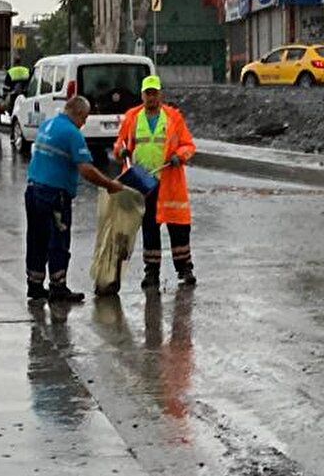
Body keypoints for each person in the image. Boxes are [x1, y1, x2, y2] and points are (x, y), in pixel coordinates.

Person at [25, 94, 122, 306]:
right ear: (77, 113)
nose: (84, 122)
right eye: (85, 118)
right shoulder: (71, 133)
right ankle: (58, 287)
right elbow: (86, 168)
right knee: (58, 240)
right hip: (53, 195)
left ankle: (34, 284)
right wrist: (109, 185)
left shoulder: (48, 124)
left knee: (36, 238)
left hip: (33, 190)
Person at [114, 75, 197, 289]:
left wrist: (180, 155)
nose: (151, 97)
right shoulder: (132, 117)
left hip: (169, 181)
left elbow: (188, 145)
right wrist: (121, 151)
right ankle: (151, 273)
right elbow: (120, 144)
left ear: (160, 94)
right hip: (143, 183)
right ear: (142, 95)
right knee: (150, 228)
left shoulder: (173, 118)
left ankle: (185, 269)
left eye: (154, 93)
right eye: (147, 93)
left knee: (178, 227)